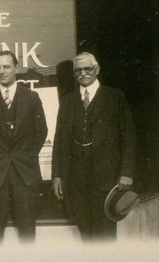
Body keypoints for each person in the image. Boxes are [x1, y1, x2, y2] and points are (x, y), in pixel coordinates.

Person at [51, 52, 137, 242]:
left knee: (105, 232)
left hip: (107, 176)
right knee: (85, 231)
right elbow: (59, 140)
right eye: (78, 70)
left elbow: (128, 137)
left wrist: (127, 172)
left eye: (87, 68)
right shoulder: (67, 101)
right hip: (76, 176)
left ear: (96, 69)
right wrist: (57, 175)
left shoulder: (114, 96)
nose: (82, 73)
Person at [0, 50, 48, 243]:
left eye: (6, 66)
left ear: (16, 68)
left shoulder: (31, 97)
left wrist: (26, 155)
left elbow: (41, 131)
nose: (2, 71)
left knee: (27, 230)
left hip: (25, 172)